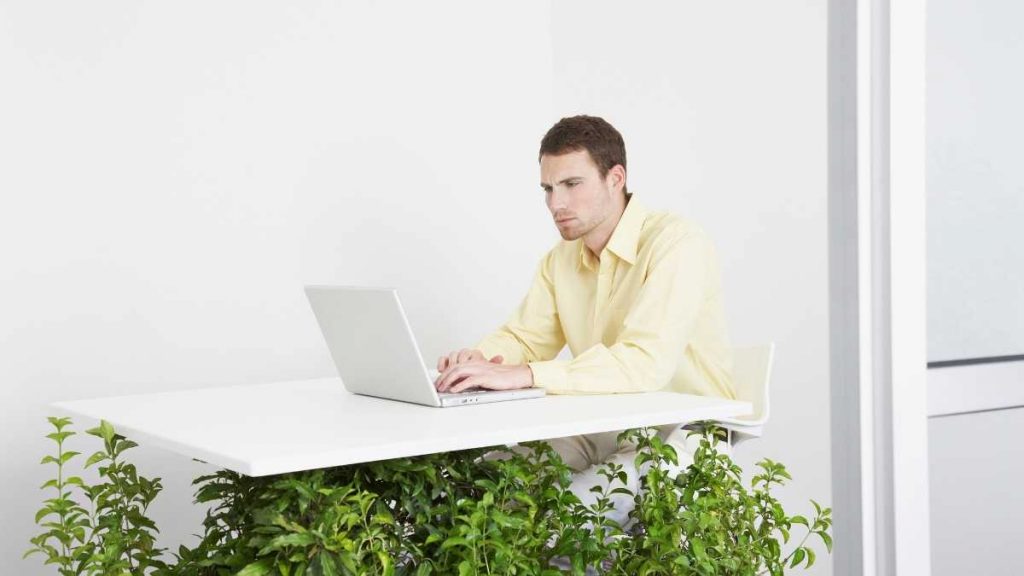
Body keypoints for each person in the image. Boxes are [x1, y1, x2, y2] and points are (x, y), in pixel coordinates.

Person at [432, 115, 736, 527]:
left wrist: (526, 375)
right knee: (475, 491)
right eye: (548, 188)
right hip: (600, 423)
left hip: (677, 432)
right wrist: (478, 361)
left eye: (572, 185)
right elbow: (525, 337)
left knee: (560, 522)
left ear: (615, 178)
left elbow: (644, 362)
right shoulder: (561, 259)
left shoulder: (676, 243)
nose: (556, 204)